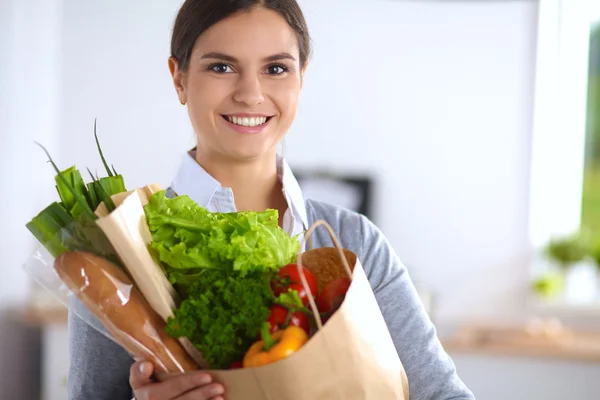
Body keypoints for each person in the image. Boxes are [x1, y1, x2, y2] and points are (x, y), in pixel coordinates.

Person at [67, 1, 476, 399]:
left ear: (301, 78)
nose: (250, 94)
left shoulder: (355, 242)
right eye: (221, 67)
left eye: (276, 68)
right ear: (179, 78)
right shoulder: (119, 249)